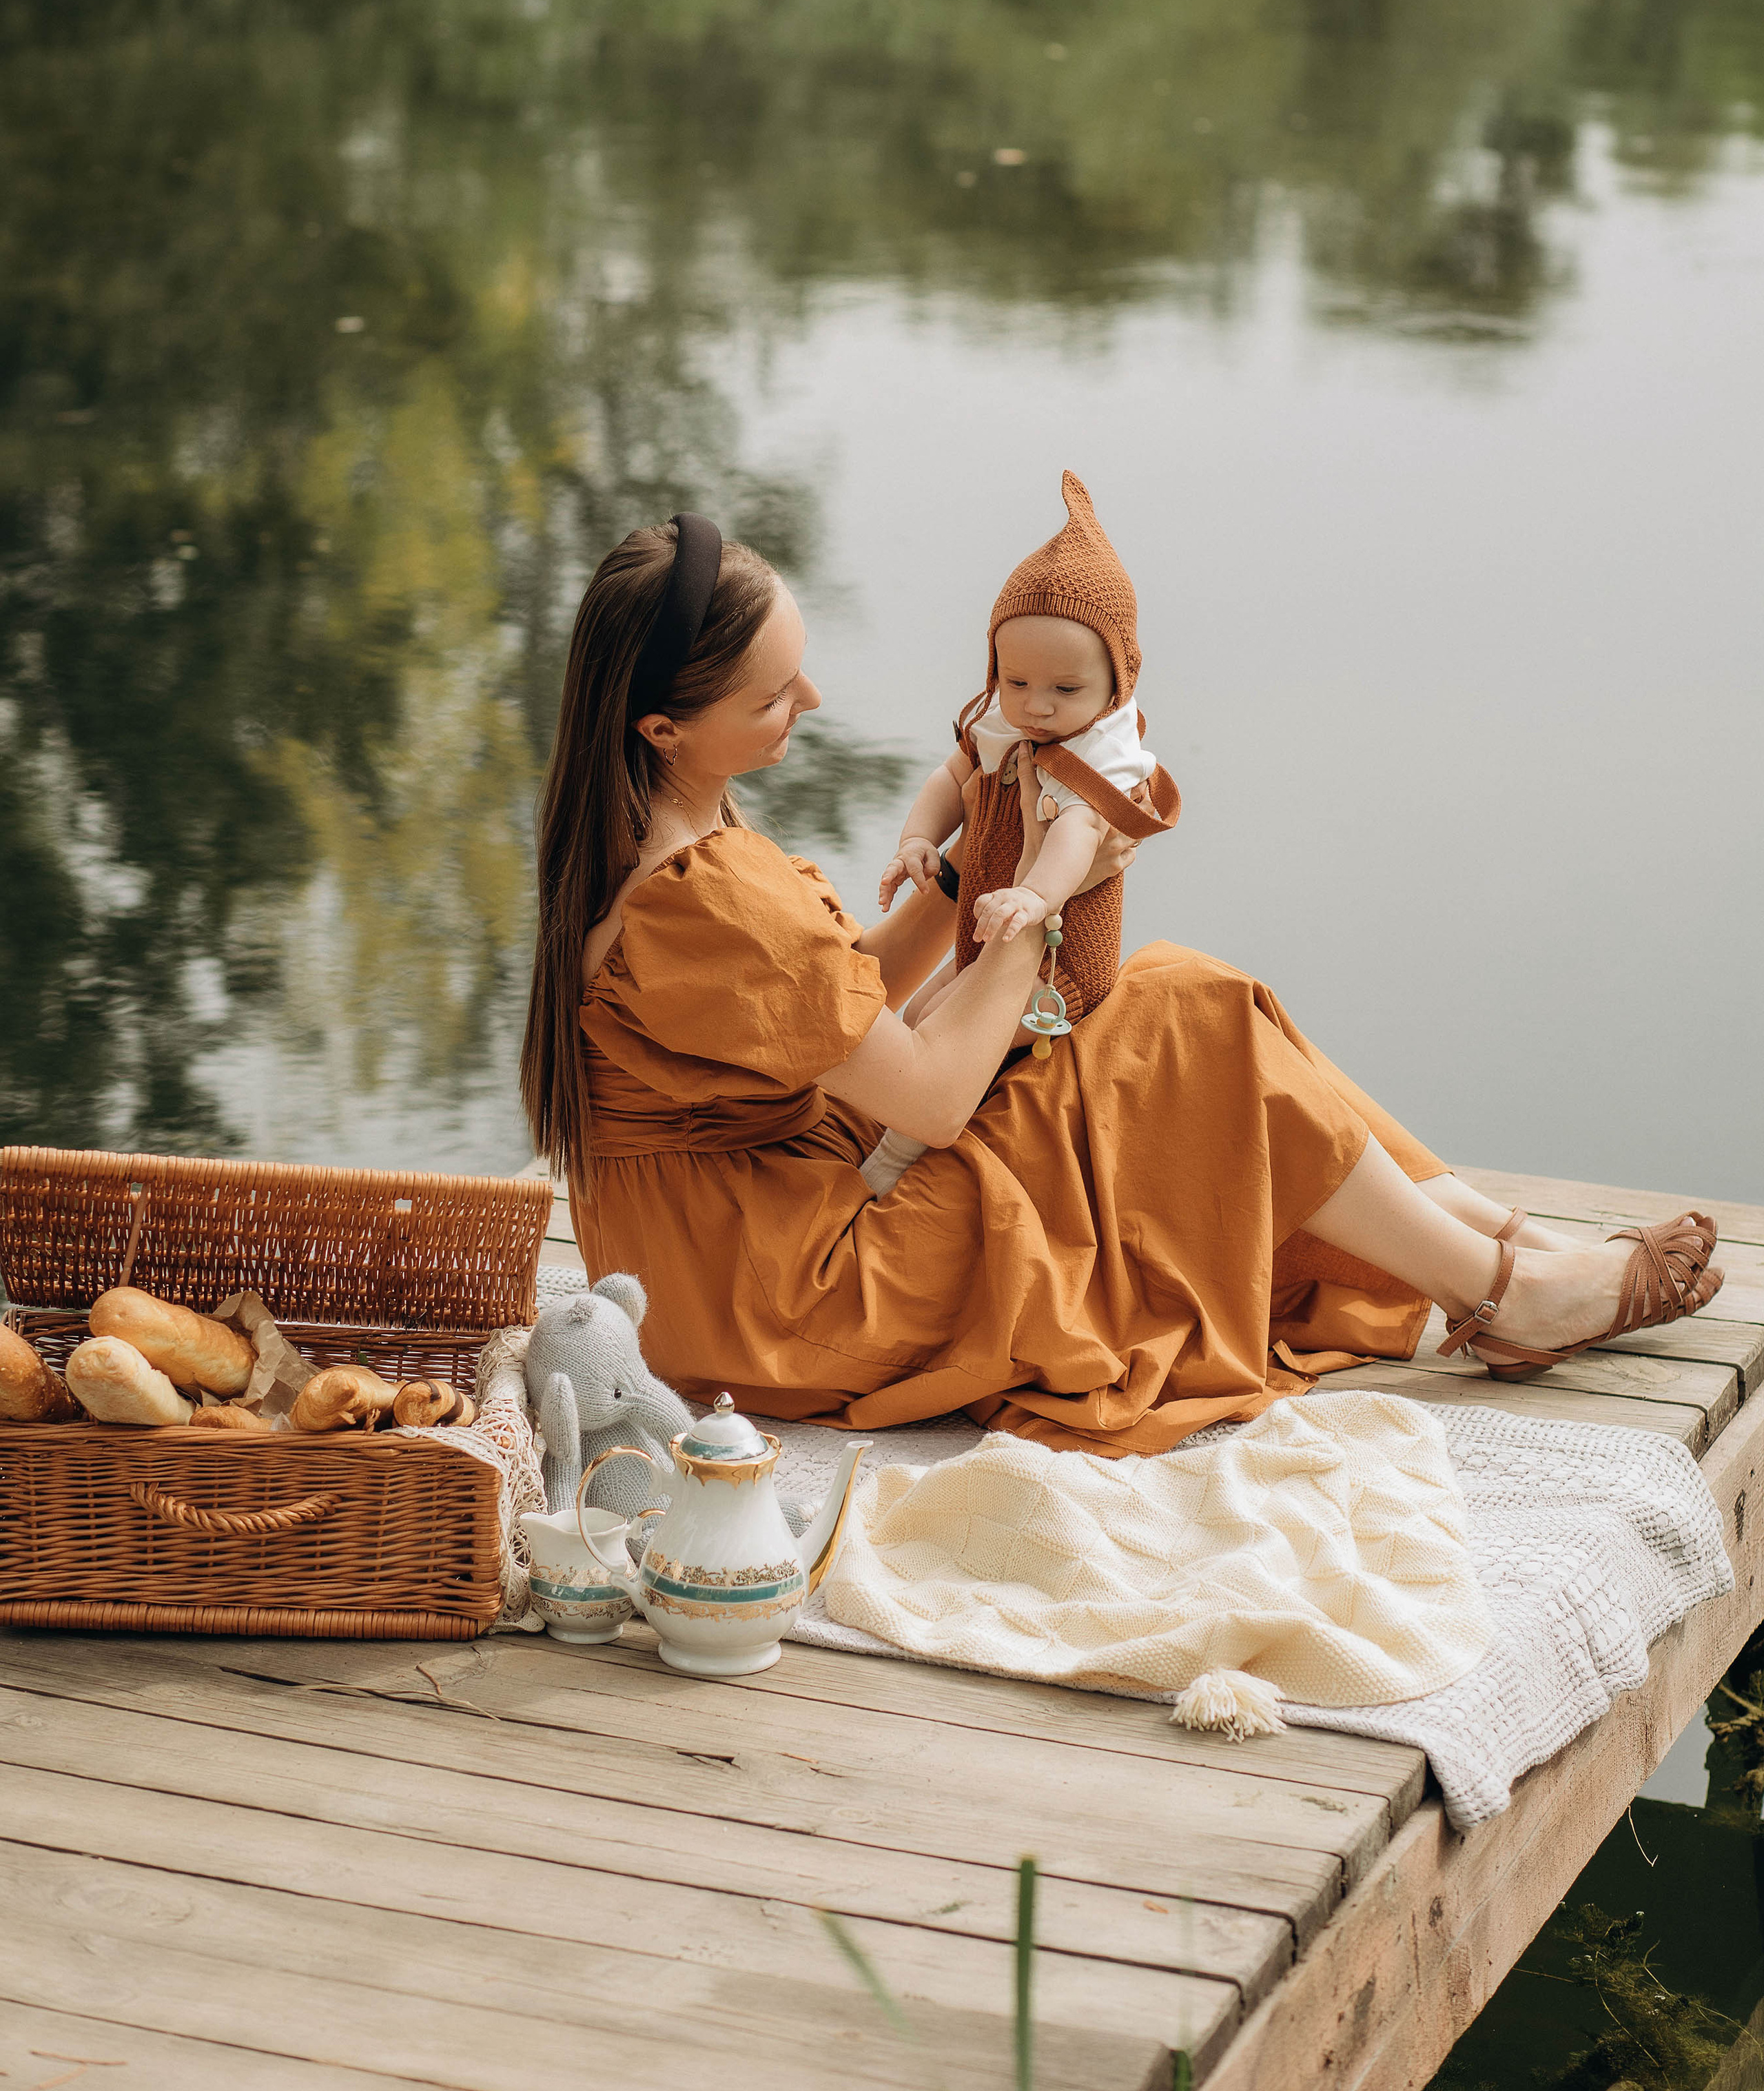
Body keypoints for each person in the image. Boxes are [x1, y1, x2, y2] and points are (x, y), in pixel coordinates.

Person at [520, 510, 1721, 1455]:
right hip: (791, 1295)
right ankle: (1508, 1291)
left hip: (732, 1253)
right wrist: (1052, 896)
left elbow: (841, 1006)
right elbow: (928, 1098)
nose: (814, 703)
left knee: (1185, 1003)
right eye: (775, 696)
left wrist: (977, 862)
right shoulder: (704, 893)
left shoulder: (651, 841)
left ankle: (1496, 1244)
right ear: (662, 727)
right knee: (1181, 1009)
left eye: (802, 670)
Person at [863, 470, 1180, 1198]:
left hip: (1058, 963)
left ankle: (891, 1165)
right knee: (917, 1015)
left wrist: (1035, 897)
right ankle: (941, 1136)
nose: (1036, 706)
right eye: (1016, 681)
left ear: (1117, 683)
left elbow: (1079, 832)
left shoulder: (1100, 751)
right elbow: (952, 777)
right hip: (992, 937)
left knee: (939, 1033)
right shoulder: (1008, 721)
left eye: (1065, 689)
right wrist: (918, 840)